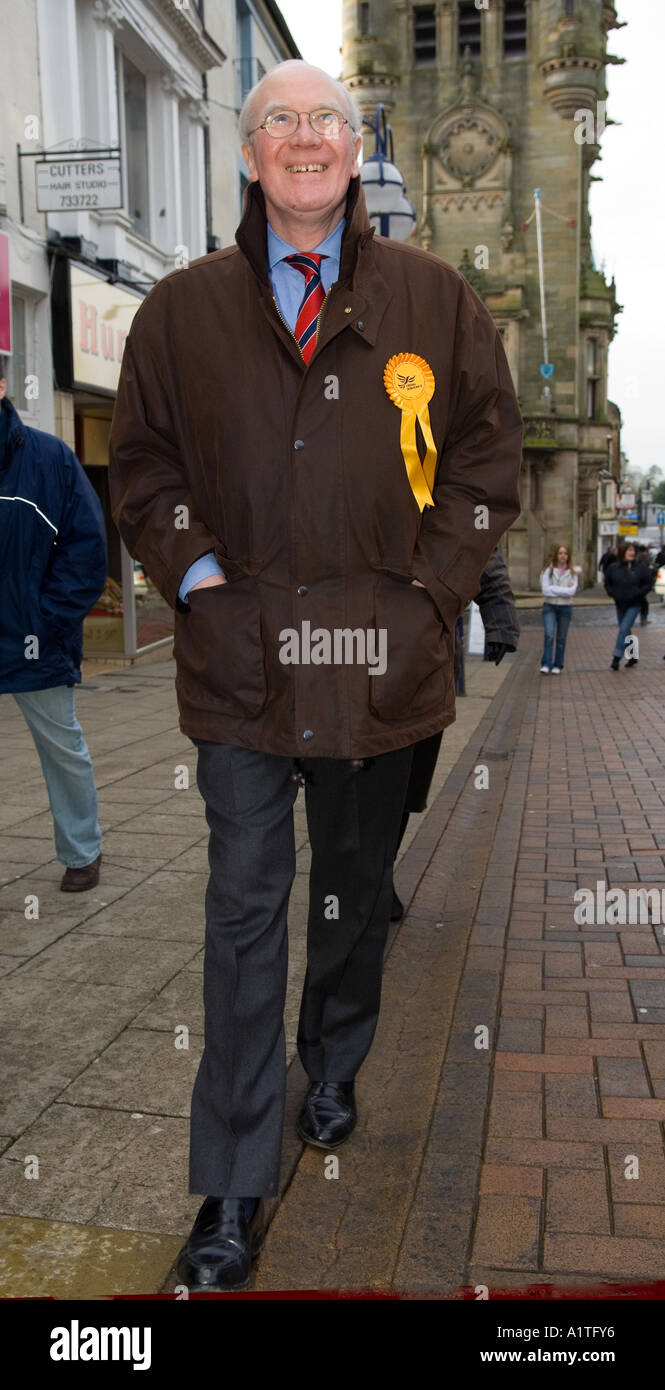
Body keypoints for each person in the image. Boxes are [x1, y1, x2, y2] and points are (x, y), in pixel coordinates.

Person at [108, 59, 523, 1292]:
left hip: (373, 669)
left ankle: (333, 1056)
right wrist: (197, 584)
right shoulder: (177, 312)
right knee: (243, 915)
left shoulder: (435, 302)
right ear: (248, 155)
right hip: (239, 669)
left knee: (347, 899)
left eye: (323, 121)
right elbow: (139, 466)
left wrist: (426, 598)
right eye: (276, 121)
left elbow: (484, 465)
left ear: (353, 151)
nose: (302, 139)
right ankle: (230, 1186)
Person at [0, 368, 106, 890]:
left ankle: (82, 851)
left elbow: (86, 548)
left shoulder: (49, 458)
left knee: (62, 750)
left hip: (32, 638)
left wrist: (46, 617)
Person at [391, 546, 519, 920]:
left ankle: (380, 874)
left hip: (423, 656)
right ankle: (357, 883)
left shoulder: (428, 486)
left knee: (408, 781)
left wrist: (500, 617)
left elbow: (475, 537)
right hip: (347, 647)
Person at [605, 540, 652, 670]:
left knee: (623, 628)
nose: (631, 553)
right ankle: (633, 656)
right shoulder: (613, 568)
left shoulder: (641, 568)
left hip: (635, 603)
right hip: (620, 603)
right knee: (626, 631)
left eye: (632, 551)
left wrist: (638, 593)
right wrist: (612, 593)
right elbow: (608, 583)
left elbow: (648, 584)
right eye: (628, 550)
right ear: (622, 552)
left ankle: (616, 657)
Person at [540, 544, 578, 673]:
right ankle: (546, 663)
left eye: (565, 553)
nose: (563, 556)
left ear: (568, 556)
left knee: (561, 638)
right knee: (549, 634)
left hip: (565, 608)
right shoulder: (548, 570)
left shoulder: (572, 572)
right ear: (556, 555)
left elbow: (572, 591)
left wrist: (554, 589)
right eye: (560, 553)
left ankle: (558, 664)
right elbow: (545, 590)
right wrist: (563, 590)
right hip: (549, 606)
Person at [635, 544, 652, 625]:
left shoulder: (637, 558)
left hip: (638, 586)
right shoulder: (644, 565)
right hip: (641, 586)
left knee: (643, 604)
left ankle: (643, 618)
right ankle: (643, 619)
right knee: (644, 604)